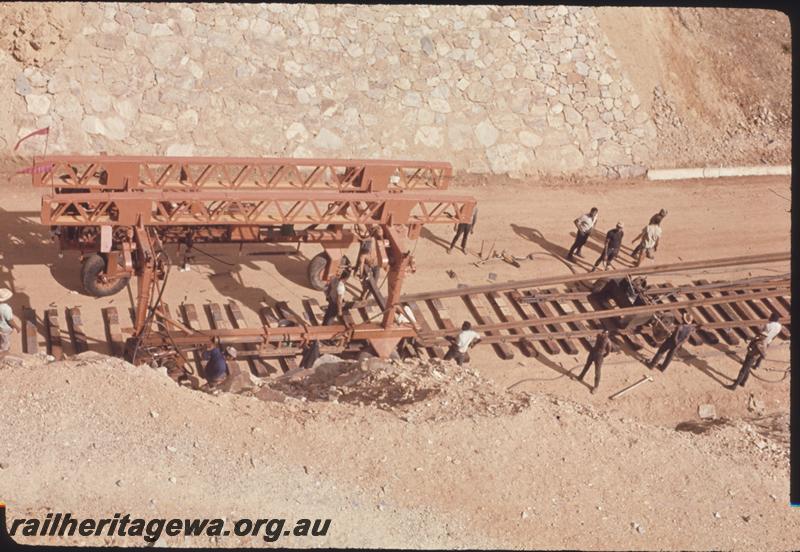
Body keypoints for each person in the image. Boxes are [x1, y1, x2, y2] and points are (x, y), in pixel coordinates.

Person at [577, 330, 614, 394]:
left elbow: (608, 351)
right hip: (593, 352)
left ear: (607, 335)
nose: (603, 334)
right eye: (603, 333)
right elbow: (594, 340)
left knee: (597, 371)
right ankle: (580, 377)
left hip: (599, 356)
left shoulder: (608, 342)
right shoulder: (599, 336)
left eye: (605, 334)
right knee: (587, 365)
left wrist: (602, 356)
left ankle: (596, 387)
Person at [0, 288, 20, 354]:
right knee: (6, 341)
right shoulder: (6, 308)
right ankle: (4, 351)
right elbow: (10, 320)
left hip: (0, 326)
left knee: (2, 337)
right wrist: (17, 327)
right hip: (5, 328)